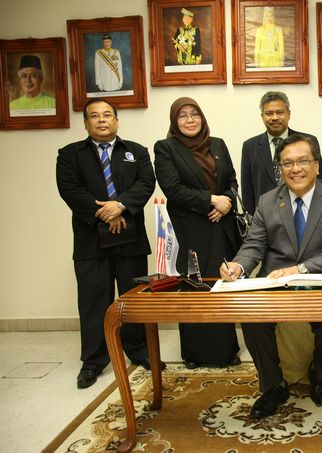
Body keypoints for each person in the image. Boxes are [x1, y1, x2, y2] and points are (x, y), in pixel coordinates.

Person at [221, 134, 322, 419]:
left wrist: (301, 269)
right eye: (287, 163)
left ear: (316, 165)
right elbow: (254, 245)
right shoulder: (268, 201)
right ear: (280, 169)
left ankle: (320, 374)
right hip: (277, 279)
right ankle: (273, 386)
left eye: (302, 161)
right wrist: (238, 266)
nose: (295, 169)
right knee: (252, 320)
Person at [56, 98, 157, 389]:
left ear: (116, 120)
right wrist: (105, 213)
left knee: (133, 299)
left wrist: (120, 206)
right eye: (95, 116)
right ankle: (93, 361)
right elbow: (70, 190)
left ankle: (138, 350)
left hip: (130, 239)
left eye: (107, 115)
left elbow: (146, 184)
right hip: (90, 242)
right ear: (86, 123)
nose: (102, 120)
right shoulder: (70, 154)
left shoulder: (136, 151)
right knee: (93, 302)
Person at [154, 97, 241, 369]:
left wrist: (225, 203)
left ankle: (227, 351)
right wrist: (211, 201)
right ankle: (193, 353)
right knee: (194, 288)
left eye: (195, 114)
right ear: (174, 121)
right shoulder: (166, 148)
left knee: (221, 285)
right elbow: (173, 189)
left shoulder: (218, 144)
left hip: (221, 226)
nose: (190, 120)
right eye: (182, 115)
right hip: (190, 230)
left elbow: (232, 182)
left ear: (202, 118)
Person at [241, 91, 322, 215]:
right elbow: (247, 190)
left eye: (280, 112)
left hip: (304, 212)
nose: (274, 117)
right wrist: (253, 218)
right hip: (266, 216)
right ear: (262, 116)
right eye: (269, 113)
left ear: (289, 114)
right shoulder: (250, 146)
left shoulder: (308, 141)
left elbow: (321, 180)